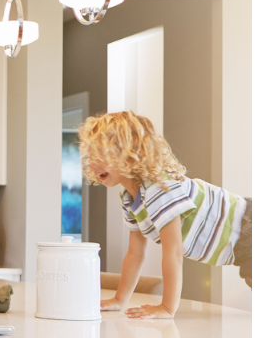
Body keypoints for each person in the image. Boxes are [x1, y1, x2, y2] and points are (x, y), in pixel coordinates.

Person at [79, 111, 252, 319]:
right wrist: (118, 300)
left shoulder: (158, 188)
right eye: (90, 156)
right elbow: (135, 253)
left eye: (100, 156)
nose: (91, 164)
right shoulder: (129, 197)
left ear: (127, 153)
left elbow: (173, 252)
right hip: (241, 246)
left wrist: (167, 307)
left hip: (248, 228)